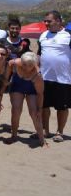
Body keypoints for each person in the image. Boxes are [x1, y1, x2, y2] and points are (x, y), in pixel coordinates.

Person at [39, 10, 71, 142]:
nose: (46, 23)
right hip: (45, 78)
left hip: (63, 78)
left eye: (49, 21)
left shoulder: (68, 36)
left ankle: (60, 132)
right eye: (45, 20)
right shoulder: (43, 35)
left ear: (58, 21)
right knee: (44, 106)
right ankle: (46, 131)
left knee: (62, 107)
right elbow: (40, 54)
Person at [6, 52, 47, 147]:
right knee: (16, 110)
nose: (26, 67)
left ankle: (42, 140)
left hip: (32, 88)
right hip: (17, 85)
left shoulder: (37, 75)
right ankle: (14, 135)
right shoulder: (15, 63)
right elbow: (9, 64)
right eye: (24, 64)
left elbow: (40, 94)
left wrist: (40, 109)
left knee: (34, 112)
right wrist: (6, 79)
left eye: (30, 65)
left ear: (34, 65)